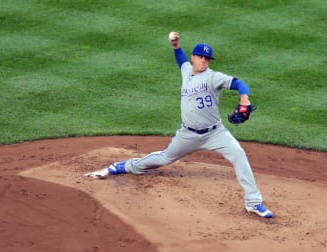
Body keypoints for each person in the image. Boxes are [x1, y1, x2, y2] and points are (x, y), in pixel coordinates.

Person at [86, 32, 273, 218]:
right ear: (194, 57)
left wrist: (244, 99)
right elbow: (181, 61)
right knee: (164, 158)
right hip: (188, 134)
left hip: (215, 133)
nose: (204, 61)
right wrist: (176, 46)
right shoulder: (186, 71)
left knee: (239, 154)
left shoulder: (213, 77)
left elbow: (240, 83)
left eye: (207, 58)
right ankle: (126, 166)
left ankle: (253, 202)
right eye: (200, 57)